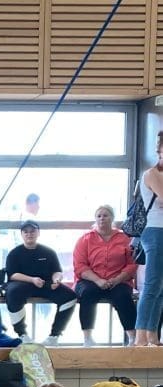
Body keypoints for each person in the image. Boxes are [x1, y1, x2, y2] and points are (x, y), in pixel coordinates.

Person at [72, 205, 138, 346]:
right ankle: (88, 338)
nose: (102, 218)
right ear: (95, 219)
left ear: (112, 218)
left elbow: (132, 264)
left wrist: (117, 279)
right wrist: (98, 280)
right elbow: (80, 266)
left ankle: (132, 338)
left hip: (119, 279)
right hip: (90, 279)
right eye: (99, 216)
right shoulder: (85, 239)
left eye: (105, 215)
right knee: (87, 293)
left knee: (123, 296)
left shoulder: (124, 238)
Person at [4, 221, 77, 346]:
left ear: (38, 233)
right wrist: (32, 279)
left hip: (46, 284)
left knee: (70, 296)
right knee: (12, 292)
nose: (29, 234)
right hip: (23, 284)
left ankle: (54, 336)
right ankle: (22, 334)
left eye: (32, 231)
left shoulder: (48, 252)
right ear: (22, 234)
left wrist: (57, 280)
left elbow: (57, 271)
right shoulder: (14, 253)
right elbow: (12, 275)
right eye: (26, 232)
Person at [133, 131, 163, 346]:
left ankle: (152, 334)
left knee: (160, 288)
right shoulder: (151, 173)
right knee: (152, 284)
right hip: (155, 231)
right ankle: (140, 336)